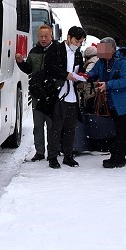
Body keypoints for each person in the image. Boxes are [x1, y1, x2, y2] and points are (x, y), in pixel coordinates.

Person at [15, 23, 62, 167]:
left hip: (52, 94)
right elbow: (29, 69)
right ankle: (39, 151)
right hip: (37, 93)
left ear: (51, 37)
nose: (43, 38)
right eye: (41, 36)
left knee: (52, 124)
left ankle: (53, 151)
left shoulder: (58, 51)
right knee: (38, 124)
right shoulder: (34, 51)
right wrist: (21, 63)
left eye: (46, 36)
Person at [85, 36, 126, 168]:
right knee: (114, 130)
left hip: (123, 102)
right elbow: (93, 73)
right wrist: (84, 76)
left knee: (122, 131)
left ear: (112, 49)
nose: (100, 52)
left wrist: (108, 85)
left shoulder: (124, 62)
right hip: (109, 103)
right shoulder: (101, 62)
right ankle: (115, 154)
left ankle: (118, 159)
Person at [51, 26, 87, 167]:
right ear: (69, 37)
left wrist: (81, 76)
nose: (77, 45)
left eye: (80, 43)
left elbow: (80, 69)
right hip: (58, 94)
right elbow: (50, 68)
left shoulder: (78, 54)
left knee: (70, 127)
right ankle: (53, 156)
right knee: (56, 127)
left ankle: (68, 155)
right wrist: (66, 75)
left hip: (72, 94)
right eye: (76, 41)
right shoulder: (56, 49)